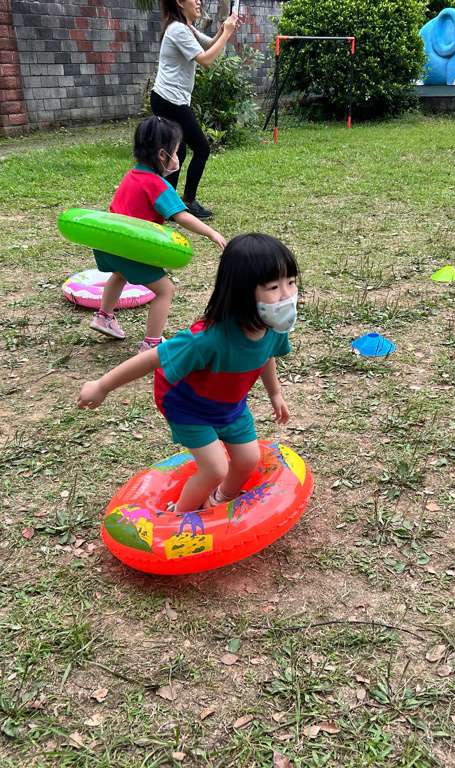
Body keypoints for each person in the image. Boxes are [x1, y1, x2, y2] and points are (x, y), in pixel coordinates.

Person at [78, 233, 298, 514]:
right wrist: (102, 386)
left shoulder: (273, 327)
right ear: (242, 290)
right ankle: (177, 515)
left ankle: (220, 498)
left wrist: (275, 393)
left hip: (229, 404)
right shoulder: (207, 338)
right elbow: (152, 359)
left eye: (291, 282)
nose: (287, 295)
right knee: (215, 468)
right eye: (273, 287)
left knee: (247, 460)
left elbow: (266, 356)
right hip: (187, 404)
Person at [91, 115, 226, 353]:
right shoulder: (158, 185)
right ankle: (151, 344)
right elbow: (182, 216)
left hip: (108, 246)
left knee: (119, 275)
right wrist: (211, 233)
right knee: (166, 290)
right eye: (176, 152)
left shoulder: (131, 175)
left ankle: (104, 317)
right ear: (163, 155)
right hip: (130, 249)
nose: (177, 158)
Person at [150, 0, 239, 220]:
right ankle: (187, 202)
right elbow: (206, 60)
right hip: (169, 101)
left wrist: (222, 31)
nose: (198, 1)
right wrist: (227, 33)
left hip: (168, 99)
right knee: (201, 149)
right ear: (180, 2)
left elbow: (208, 45)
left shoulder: (186, 28)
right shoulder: (178, 30)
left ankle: (167, 204)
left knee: (177, 152)